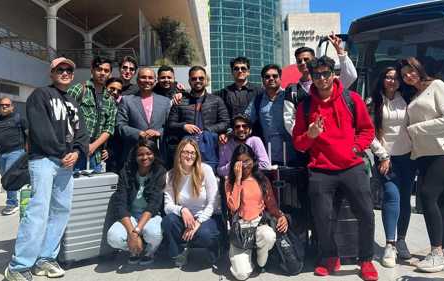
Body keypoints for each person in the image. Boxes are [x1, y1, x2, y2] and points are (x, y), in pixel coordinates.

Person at [292, 56, 378, 280]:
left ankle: (366, 259)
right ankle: (329, 256)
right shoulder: (305, 106)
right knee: (322, 218)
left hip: (352, 166)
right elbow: (298, 143)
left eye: (326, 73)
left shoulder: (352, 99)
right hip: (321, 170)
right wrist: (310, 135)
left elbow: (367, 130)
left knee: (366, 214)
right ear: (311, 77)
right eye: (317, 74)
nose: (322, 79)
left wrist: (356, 148)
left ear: (333, 74)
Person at [4, 57, 89, 281]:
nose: (65, 72)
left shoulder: (73, 101)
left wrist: (78, 152)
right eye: (59, 69)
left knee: (61, 211)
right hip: (44, 160)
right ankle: (19, 266)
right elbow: (41, 131)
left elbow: (82, 132)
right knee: (38, 212)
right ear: (51, 73)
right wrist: (64, 153)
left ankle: (45, 259)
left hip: (67, 164)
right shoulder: (40, 95)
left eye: (69, 70)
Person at [397, 57, 444, 273]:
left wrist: (417, 129)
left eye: (411, 71)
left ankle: (435, 253)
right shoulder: (415, 95)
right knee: (441, 202)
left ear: (419, 68)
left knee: (427, 196)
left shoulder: (437, 86)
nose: (408, 76)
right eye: (404, 74)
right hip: (424, 155)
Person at [369, 67, 414, 267]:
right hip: (386, 157)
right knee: (391, 195)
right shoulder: (373, 102)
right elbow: (368, 134)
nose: (392, 81)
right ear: (382, 79)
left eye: (396, 78)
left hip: (409, 156)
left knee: (405, 198)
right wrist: (383, 155)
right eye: (388, 77)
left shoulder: (407, 99)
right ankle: (389, 244)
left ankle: (401, 239)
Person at [225, 144, 288, 280]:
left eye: (247, 161)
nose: (244, 165)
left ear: (253, 160)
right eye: (240, 162)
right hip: (240, 230)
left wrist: (280, 216)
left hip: (259, 224)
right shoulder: (229, 182)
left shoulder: (262, 180)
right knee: (241, 275)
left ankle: (260, 259)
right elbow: (233, 207)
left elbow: (271, 205)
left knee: (268, 236)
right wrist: (237, 179)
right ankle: (248, 258)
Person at [284, 34, 358, 136]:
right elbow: (289, 119)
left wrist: (340, 51)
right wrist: (306, 137)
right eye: (299, 61)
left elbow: (351, 76)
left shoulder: (330, 82)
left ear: (314, 60)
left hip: (332, 141)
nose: (302, 63)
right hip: (307, 144)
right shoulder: (292, 90)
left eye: (306, 59)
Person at [107, 138, 166, 265]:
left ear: (154, 154)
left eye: (149, 153)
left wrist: (137, 230)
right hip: (130, 215)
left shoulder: (160, 172)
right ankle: (135, 249)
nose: (145, 157)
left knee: (154, 234)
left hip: (150, 215)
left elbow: (153, 205)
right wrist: (132, 233)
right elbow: (121, 204)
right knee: (113, 237)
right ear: (135, 156)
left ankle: (150, 251)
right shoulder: (126, 172)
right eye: (140, 154)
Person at [162, 138, 220, 267]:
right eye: (185, 152)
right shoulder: (170, 175)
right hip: (184, 217)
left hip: (205, 217)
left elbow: (213, 203)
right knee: (168, 221)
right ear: (179, 154)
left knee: (204, 234)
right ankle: (180, 250)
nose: (189, 156)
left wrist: (198, 222)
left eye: (192, 153)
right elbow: (167, 206)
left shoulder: (205, 170)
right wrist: (182, 210)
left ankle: (213, 249)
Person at [167, 66, 229, 168]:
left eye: (201, 78)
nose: (198, 81)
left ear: (206, 80)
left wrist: (207, 130)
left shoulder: (216, 100)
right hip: (186, 150)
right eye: (194, 79)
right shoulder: (180, 101)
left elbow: (225, 122)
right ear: (189, 81)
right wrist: (184, 126)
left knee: (208, 178)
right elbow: (170, 124)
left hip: (209, 149)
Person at [68, 56, 117, 172]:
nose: (102, 73)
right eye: (99, 69)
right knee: (74, 187)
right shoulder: (79, 89)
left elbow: (109, 128)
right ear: (92, 70)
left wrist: (93, 146)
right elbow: (64, 119)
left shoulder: (109, 99)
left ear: (110, 74)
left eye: (106, 71)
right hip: (75, 151)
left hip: (95, 154)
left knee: (94, 187)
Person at [116, 68, 172, 167]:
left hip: (158, 156)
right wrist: (139, 133)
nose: (147, 80)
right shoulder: (127, 101)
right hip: (133, 156)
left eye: (150, 78)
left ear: (155, 81)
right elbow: (120, 126)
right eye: (143, 77)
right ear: (137, 80)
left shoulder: (165, 101)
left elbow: (170, 126)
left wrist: (159, 132)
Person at [245, 64, 296, 165]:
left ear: (280, 78)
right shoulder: (258, 100)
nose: (271, 79)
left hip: (293, 155)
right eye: (267, 77)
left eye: (275, 76)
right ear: (263, 80)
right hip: (268, 156)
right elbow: (246, 119)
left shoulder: (289, 96)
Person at [0, 97, 28, 215]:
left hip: (16, 152)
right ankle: (18, 196)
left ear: (12, 107)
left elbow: (29, 135)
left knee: (10, 177)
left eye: (7, 105)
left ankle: (12, 203)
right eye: (2, 105)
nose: (4, 107)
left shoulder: (19, 118)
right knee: (6, 179)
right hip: (0, 154)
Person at [214, 56, 261, 122]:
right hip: (231, 131)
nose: (240, 71)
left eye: (243, 68)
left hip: (254, 131)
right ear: (232, 72)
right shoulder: (223, 92)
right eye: (236, 69)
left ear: (248, 72)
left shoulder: (259, 92)